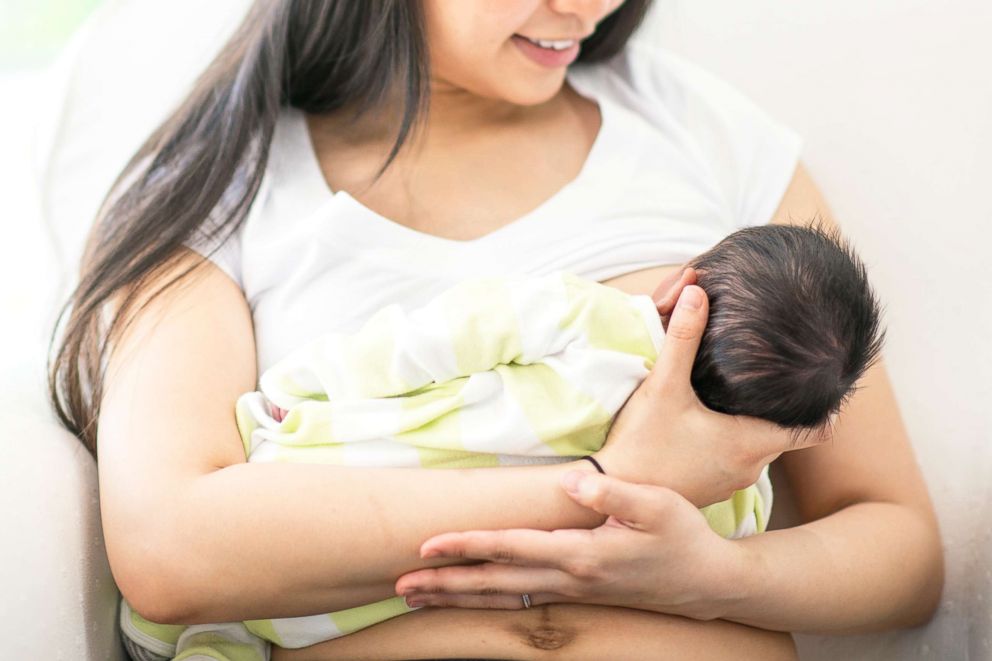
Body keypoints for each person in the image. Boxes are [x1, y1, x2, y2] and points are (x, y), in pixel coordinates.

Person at [47, 1, 942, 660]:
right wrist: (612, 487)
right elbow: (170, 546)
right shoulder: (224, 183)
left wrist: (711, 577)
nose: (586, 7)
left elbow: (899, 550)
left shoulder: (710, 138)